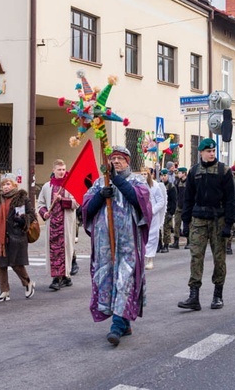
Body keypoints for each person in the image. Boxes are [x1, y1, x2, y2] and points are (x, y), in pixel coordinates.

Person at [82, 146, 152, 346]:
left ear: (128, 161)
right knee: (109, 282)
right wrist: (100, 196)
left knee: (125, 281)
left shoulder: (137, 181)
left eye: (120, 158)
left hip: (129, 245)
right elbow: (86, 209)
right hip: (105, 246)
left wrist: (117, 180)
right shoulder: (99, 183)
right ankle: (124, 323)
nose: (116, 162)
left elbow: (139, 201)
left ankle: (116, 327)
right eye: (112, 159)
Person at [178, 138, 235, 311]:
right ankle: (193, 296)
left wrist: (228, 224)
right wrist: (185, 223)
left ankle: (217, 295)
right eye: (208, 151)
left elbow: (231, 200)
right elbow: (188, 198)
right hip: (198, 219)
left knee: (219, 259)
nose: (212, 154)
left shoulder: (223, 171)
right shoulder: (194, 171)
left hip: (218, 219)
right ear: (201, 153)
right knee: (196, 256)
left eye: (213, 151)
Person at [0, 173, 36, 302]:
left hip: (16, 237)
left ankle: (28, 282)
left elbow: (31, 215)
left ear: (14, 185)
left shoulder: (21, 198)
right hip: (0, 238)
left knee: (16, 264)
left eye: (8, 184)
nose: (5, 187)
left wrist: (23, 221)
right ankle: (4, 291)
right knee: (1, 265)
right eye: (3, 184)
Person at [37, 160, 79, 291]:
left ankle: (59, 278)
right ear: (54, 170)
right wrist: (44, 213)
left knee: (65, 250)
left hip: (65, 224)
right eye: (59, 170)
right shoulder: (46, 186)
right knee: (53, 251)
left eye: (63, 169)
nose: (61, 172)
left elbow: (76, 203)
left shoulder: (70, 185)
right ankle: (63, 277)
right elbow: (40, 204)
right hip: (52, 225)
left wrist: (63, 200)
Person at [143, 169, 166, 269]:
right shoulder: (139, 185)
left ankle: (150, 259)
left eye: (145, 174)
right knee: (143, 237)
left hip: (152, 215)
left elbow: (161, 201)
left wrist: (152, 211)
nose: (143, 176)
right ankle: (143, 259)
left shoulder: (155, 186)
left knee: (152, 236)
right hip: (143, 215)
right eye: (142, 174)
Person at [160, 169, 177, 253]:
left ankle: (166, 245)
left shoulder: (171, 186)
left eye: (165, 175)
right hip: (160, 210)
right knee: (159, 228)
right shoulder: (159, 185)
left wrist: (171, 212)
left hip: (168, 210)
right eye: (162, 175)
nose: (163, 177)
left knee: (167, 228)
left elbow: (174, 200)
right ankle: (159, 245)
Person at [174, 167, 189, 249]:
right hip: (179, 206)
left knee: (187, 225)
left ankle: (189, 241)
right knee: (177, 224)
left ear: (184, 173)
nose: (178, 174)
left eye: (180, 173)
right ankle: (176, 241)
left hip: (186, 207)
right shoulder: (177, 182)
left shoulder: (189, 182)